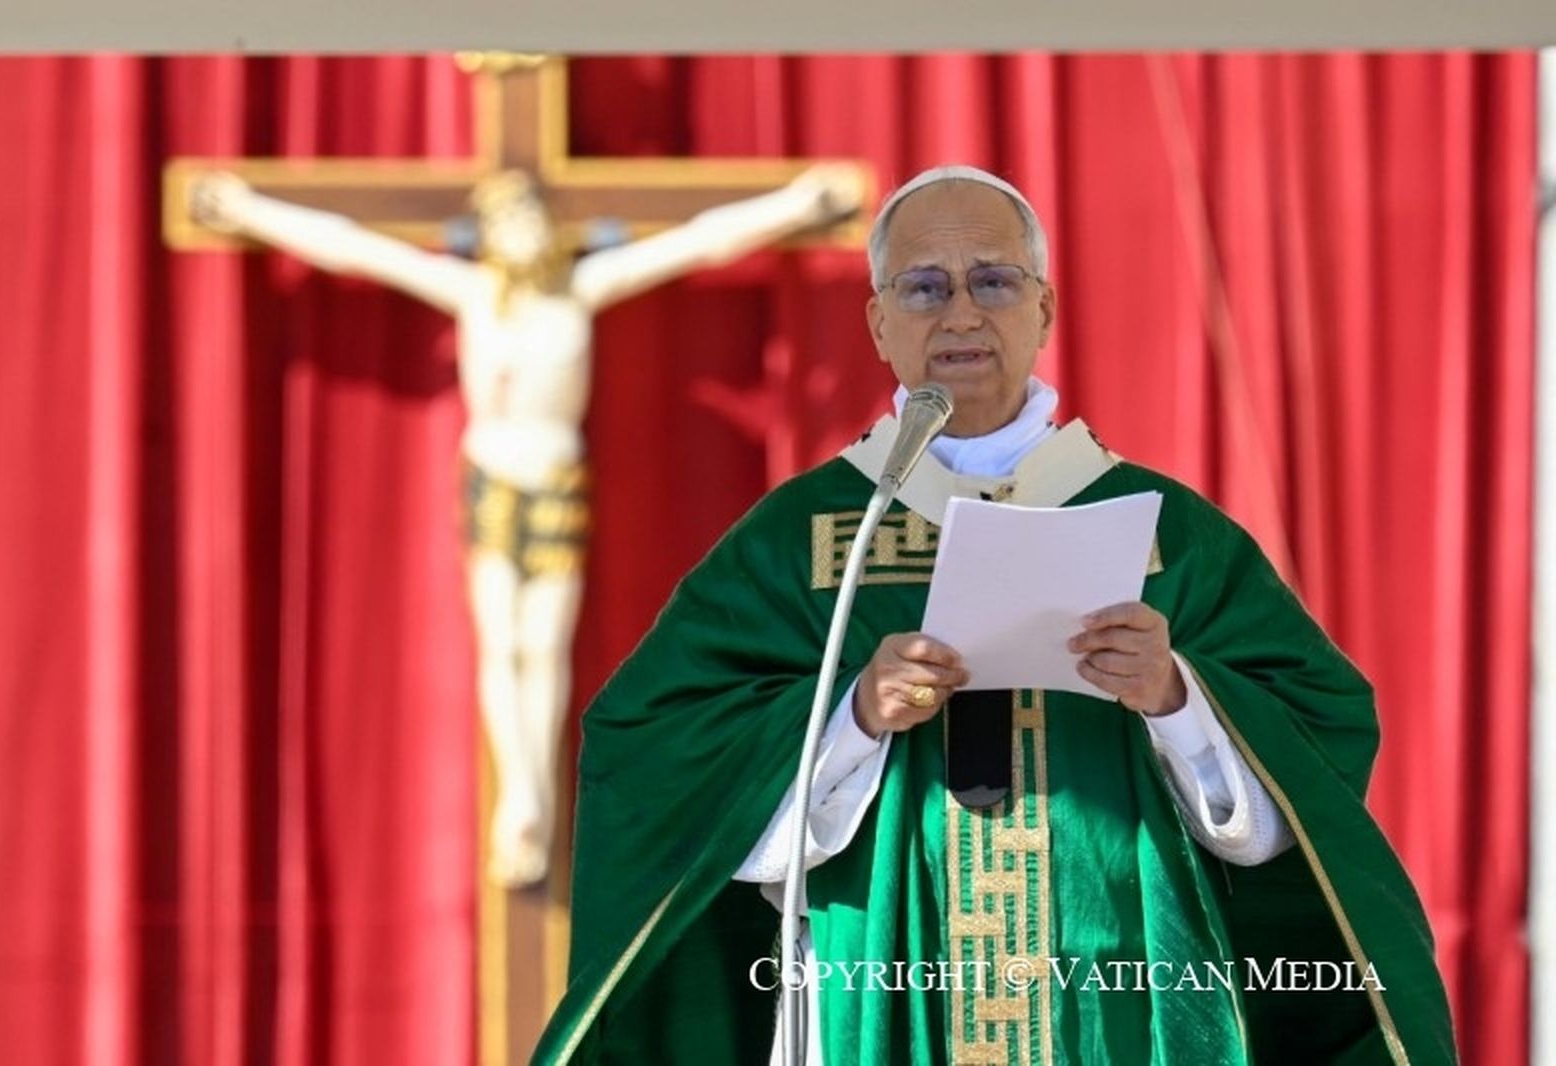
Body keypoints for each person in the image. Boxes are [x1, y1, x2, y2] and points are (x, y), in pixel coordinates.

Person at [533, 165, 1456, 1065]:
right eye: (925, 286)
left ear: (1044, 311)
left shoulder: (1169, 533)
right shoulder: (807, 539)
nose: (962, 313)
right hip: (882, 974)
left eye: (995, 281)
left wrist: (1178, 696)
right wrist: (855, 714)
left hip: (1122, 981)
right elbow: (652, 750)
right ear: (879, 322)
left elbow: (1320, 730)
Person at [191, 164, 865, 887]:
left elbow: (699, 243)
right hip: (493, 477)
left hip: (552, 480)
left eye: (532, 221)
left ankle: (536, 796)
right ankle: (518, 792)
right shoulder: (473, 294)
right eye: (507, 224)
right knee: (499, 642)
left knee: (543, 643)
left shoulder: (581, 290)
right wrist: (250, 210)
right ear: (489, 237)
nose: (521, 235)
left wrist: (795, 205)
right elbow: (352, 248)